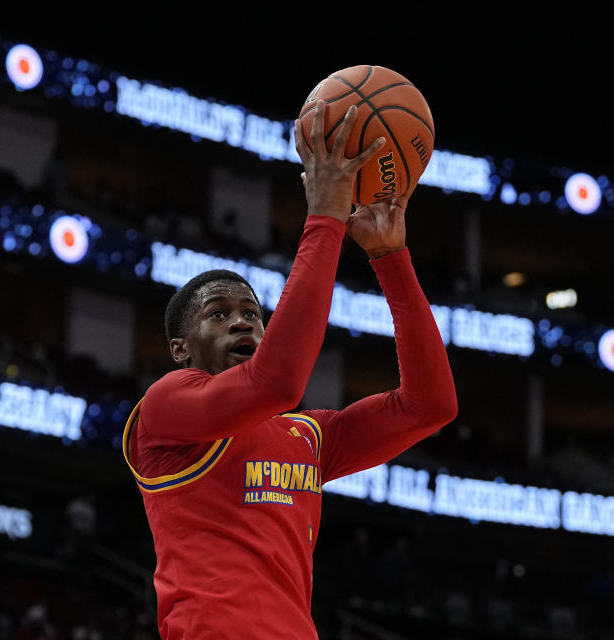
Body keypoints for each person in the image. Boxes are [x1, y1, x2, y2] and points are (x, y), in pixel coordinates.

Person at [122, 99, 458, 639]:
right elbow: (277, 382)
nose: (242, 324)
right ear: (180, 348)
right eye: (219, 314)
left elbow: (430, 407)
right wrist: (324, 216)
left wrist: (391, 258)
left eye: (253, 314)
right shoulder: (166, 408)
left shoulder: (306, 436)